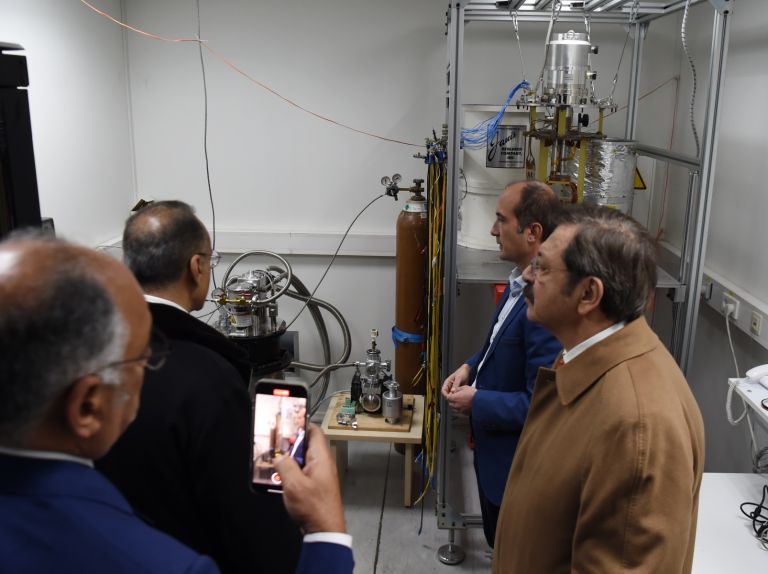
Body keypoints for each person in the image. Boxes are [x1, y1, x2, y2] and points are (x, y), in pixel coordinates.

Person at [0, 234, 354, 574]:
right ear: (87, 408)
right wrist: (326, 530)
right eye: (142, 358)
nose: (150, 369)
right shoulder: (166, 566)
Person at [493, 205, 705, 573]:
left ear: (588, 294)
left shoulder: (637, 426)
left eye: (541, 267)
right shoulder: (582, 356)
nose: (527, 275)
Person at [95, 200, 302, 573]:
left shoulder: (87, 353)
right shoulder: (210, 377)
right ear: (196, 267)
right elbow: (251, 524)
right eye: (211, 260)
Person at [440, 180, 562, 547]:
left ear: (532, 232)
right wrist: (470, 367)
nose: (493, 230)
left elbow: (541, 405)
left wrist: (477, 401)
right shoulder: (519, 283)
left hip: (515, 471)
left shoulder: (544, 309)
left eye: (501, 220)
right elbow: (497, 344)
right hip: (492, 459)